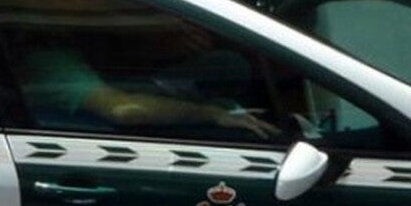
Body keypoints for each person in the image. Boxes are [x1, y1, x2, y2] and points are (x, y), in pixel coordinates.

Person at [19, 48, 280, 140]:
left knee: (226, 63)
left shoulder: (63, 43)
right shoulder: (51, 65)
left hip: (123, 89)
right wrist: (210, 114)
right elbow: (126, 111)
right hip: (113, 133)